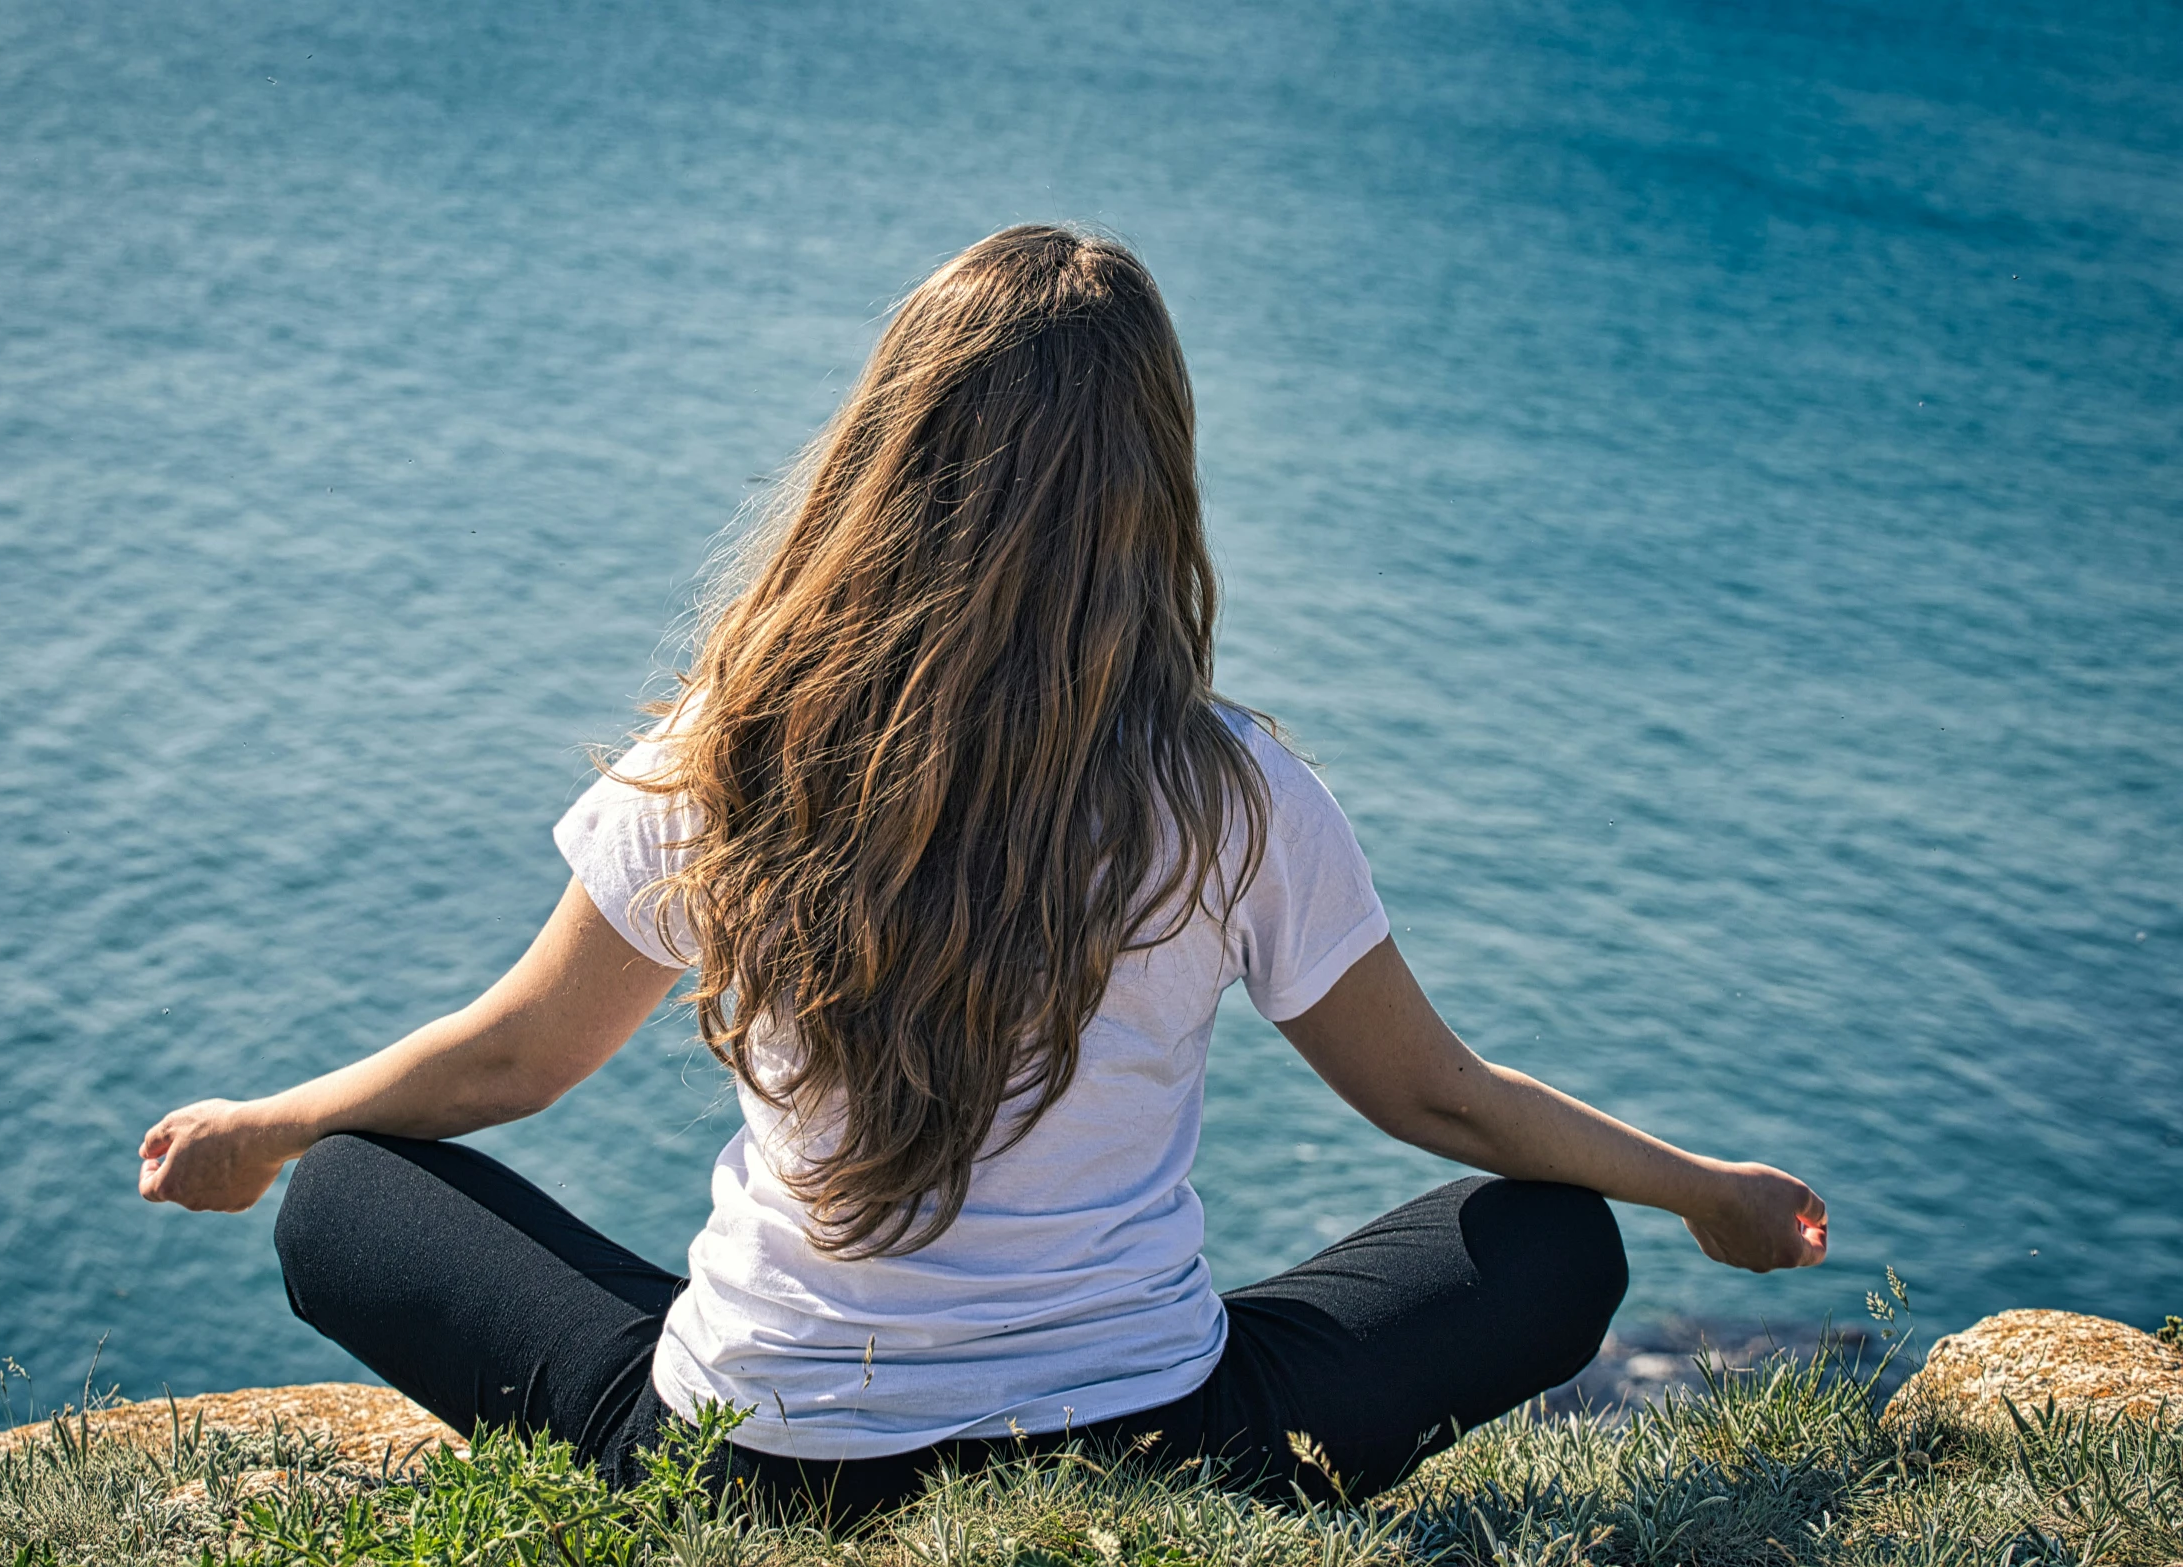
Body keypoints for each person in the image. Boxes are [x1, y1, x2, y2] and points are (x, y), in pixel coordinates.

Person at [138, 224, 1826, 1520]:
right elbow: (1441, 1104)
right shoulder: (1230, 789)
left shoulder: (734, 749)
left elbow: (510, 1059)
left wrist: (271, 1125)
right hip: (1159, 1448)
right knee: (1550, 1237)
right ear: (1149, 479)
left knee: (351, 1190)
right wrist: (1697, 1188)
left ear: (889, 447)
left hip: (751, 1465)